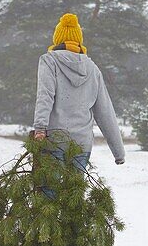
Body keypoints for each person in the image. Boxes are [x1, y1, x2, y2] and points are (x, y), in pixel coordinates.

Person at [32, 12, 125, 170]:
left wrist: (40, 128)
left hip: (54, 140)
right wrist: (119, 152)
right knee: (73, 192)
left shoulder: (49, 61)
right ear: (79, 40)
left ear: (57, 38)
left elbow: (45, 96)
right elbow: (105, 111)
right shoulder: (93, 69)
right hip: (82, 143)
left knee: (49, 192)